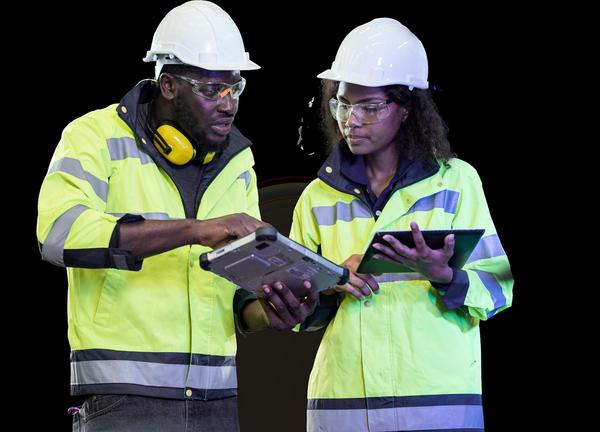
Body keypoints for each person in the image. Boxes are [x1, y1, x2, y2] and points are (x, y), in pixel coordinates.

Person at [36, 2, 316, 431]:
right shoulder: (93, 136)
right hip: (124, 400)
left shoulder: (238, 161)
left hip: (216, 401)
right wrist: (195, 231)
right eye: (212, 89)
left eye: (235, 88)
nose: (228, 104)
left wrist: (269, 310)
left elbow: (239, 297)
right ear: (168, 85)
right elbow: (57, 235)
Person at [290, 18, 514, 431]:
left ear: (407, 109)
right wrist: (330, 279)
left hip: (437, 409)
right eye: (342, 104)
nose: (350, 120)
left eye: (369, 107)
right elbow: (295, 310)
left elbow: (500, 289)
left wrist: (445, 275)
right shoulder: (317, 197)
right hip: (344, 410)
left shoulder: (456, 183)